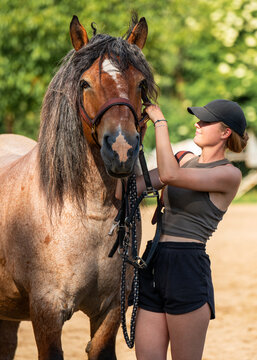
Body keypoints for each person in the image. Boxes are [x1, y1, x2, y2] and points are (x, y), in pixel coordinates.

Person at [126, 99, 248, 360]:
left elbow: (170, 176)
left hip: (187, 265)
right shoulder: (183, 160)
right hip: (153, 259)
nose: (197, 123)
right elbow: (131, 188)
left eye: (205, 121)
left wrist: (160, 122)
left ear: (225, 132)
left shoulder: (228, 174)